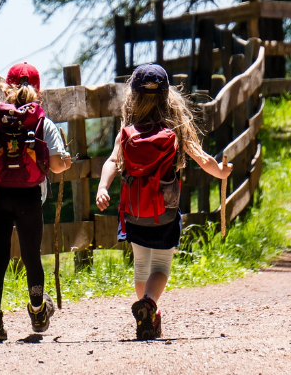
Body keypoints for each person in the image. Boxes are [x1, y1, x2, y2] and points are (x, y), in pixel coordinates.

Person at [95, 63, 232, 340]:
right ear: (167, 95)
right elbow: (202, 158)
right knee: (161, 267)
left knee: (141, 265)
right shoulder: (175, 127)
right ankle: (149, 304)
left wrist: (102, 186)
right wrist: (221, 171)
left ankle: (147, 315)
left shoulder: (128, 130)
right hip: (165, 212)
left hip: (133, 212)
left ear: (132, 96)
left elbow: (112, 161)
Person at [0, 62, 72, 342]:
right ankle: (39, 310)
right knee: (31, 256)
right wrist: (65, 163)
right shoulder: (43, 122)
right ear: (38, 90)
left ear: (6, 88)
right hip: (29, 196)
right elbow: (54, 165)